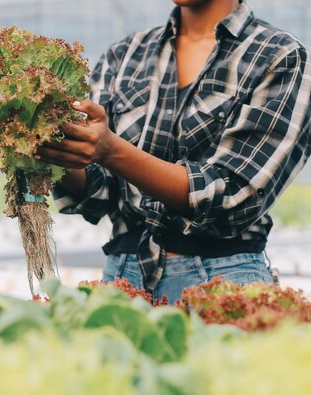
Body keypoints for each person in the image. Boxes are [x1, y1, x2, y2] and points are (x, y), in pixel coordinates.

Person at [36, 0, 311, 303]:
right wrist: (55, 147)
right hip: (123, 281)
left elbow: (231, 195)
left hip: (222, 282)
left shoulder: (279, 57)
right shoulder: (125, 54)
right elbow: (100, 191)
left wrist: (109, 150)